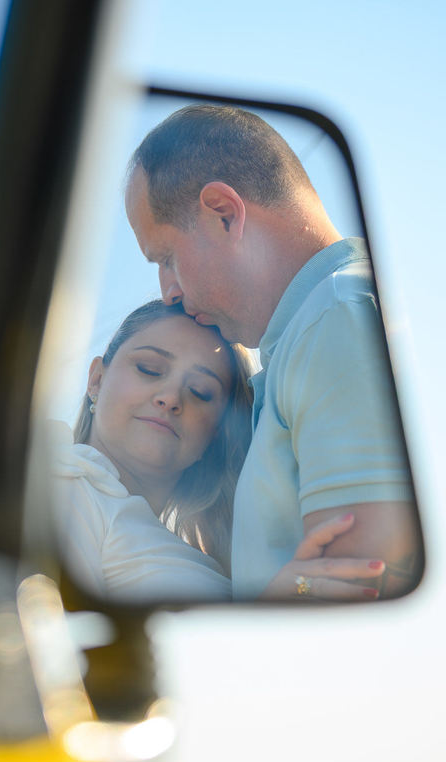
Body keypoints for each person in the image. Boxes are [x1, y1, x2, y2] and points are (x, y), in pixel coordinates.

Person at [124, 104, 420, 599]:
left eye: (167, 258)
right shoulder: (314, 331)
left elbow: (363, 579)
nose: (168, 291)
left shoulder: (335, 318)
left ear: (223, 213)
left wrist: (284, 595)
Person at [52, 299, 387, 602]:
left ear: (215, 436)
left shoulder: (215, 557)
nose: (170, 397)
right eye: (149, 369)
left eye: (200, 392)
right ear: (96, 379)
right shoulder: (63, 481)